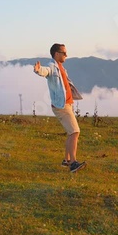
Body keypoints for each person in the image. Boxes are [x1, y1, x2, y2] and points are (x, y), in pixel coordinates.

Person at [33, 43, 86, 173]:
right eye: (64, 53)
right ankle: (73, 163)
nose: (66, 55)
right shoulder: (52, 66)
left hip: (66, 104)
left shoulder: (61, 67)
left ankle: (66, 160)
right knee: (75, 132)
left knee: (71, 132)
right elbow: (46, 71)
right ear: (57, 54)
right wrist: (38, 70)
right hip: (61, 106)